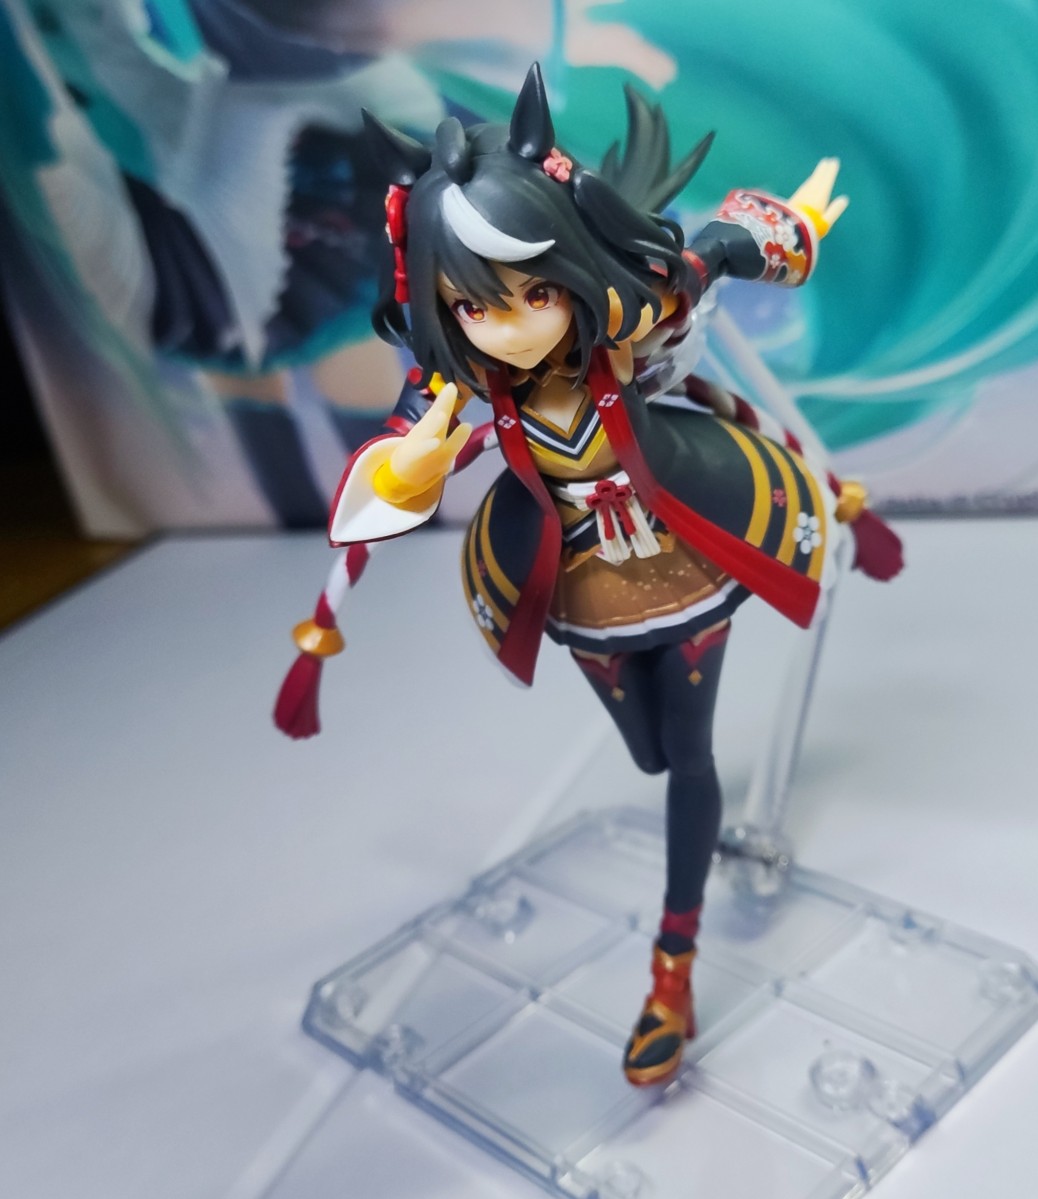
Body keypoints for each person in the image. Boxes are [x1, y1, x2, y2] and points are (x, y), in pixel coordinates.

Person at [277, 63, 902, 1086]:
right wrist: (413, 462)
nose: (514, 323)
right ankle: (680, 838)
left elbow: (713, 251)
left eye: (535, 290)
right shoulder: (454, 391)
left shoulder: (628, 328)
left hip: (686, 556)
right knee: (650, 754)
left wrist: (790, 226)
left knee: (688, 758)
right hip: (575, 589)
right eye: (476, 305)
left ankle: (672, 966)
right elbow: (371, 496)